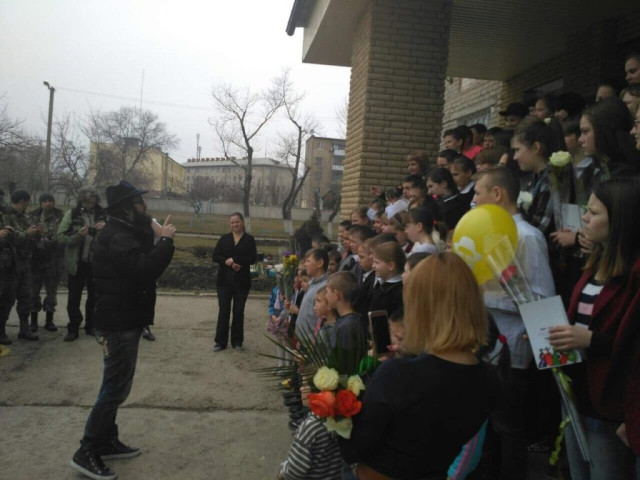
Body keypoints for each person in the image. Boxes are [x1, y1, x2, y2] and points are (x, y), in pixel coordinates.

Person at [341, 253, 499, 480]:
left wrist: (334, 403)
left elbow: (355, 449)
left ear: (419, 306)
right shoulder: (490, 378)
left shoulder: (399, 375)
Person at [70, 180, 176, 480]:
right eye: (140, 203)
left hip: (124, 319)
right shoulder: (117, 236)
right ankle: (87, 450)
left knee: (117, 386)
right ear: (127, 208)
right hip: (117, 324)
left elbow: (141, 255)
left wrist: (154, 231)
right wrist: (165, 241)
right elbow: (145, 270)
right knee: (114, 389)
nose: (146, 206)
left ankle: (107, 440)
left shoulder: (123, 230)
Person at [548, 178, 640, 480]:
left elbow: (632, 348)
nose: (585, 218)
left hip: (610, 404)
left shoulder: (632, 276)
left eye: (594, 212)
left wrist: (591, 340)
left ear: (621, 220)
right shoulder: (594, 264)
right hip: (577, 395)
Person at [473, 168, 556, 479]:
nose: (474, 200)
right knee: (486, 425)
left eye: (478, 192)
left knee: (507, 426)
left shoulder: (527, 237)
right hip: (483, 342)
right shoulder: (487, 235)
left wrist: (488, 297)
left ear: (498, 194)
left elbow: (540, 297)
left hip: (512, 345)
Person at [58, 186, 107, 341]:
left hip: (96, 263)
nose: (91, 203)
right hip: (77, 262)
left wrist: (106, 229)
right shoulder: (72, 214)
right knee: (74, 297)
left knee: (94, 297)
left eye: (93, 200)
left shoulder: (104, 214)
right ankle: (73, 327)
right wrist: (78, 235)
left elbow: (114, 236)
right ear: (82, 200)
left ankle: (91, 326)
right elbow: (60, 237)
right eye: (87, 200)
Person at [212, 212, 257, 352]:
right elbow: (215, 256)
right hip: (224, 281)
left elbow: (252, 258)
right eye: (232, 222)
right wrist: (227, 262)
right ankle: (220, 342)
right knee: (223, 311)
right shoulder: (224, 238)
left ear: (242, 222)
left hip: (242, 282)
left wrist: (236, 261)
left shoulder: (249, 240)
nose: (235, 224)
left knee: (238, 312)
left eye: (237, 222)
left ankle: (237, 341)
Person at [0, 190, 40, 343]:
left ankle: (24, 329)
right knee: (7, 298)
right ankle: (1, 331)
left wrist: (36, 233)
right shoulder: (6, 216)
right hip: (10, 264)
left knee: (25, 297)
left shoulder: (25, 217)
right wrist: (26, 234)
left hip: (25, 263)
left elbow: (30, 237)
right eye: (28, 201)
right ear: (23, 201)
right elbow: (8, 237)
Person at [29, 193, 64, 332]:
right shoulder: (32, 216)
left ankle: (49, 321)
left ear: (54, 202)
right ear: (40, 203)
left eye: (50, 201)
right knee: (33, 292)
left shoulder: (60, 216)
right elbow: (28, 236)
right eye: (45, 201)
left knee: (51, 293)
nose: (48, 203)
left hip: (53, 259)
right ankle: (33, 322)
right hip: (35, 260)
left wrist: (49, 240)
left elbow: (62, 235)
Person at [294, 248, 329, 342]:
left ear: (320, 263)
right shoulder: (311, 283)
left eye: (308, 261)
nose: (305, 264)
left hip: (312, 341)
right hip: (302, 338)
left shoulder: (325, 286)